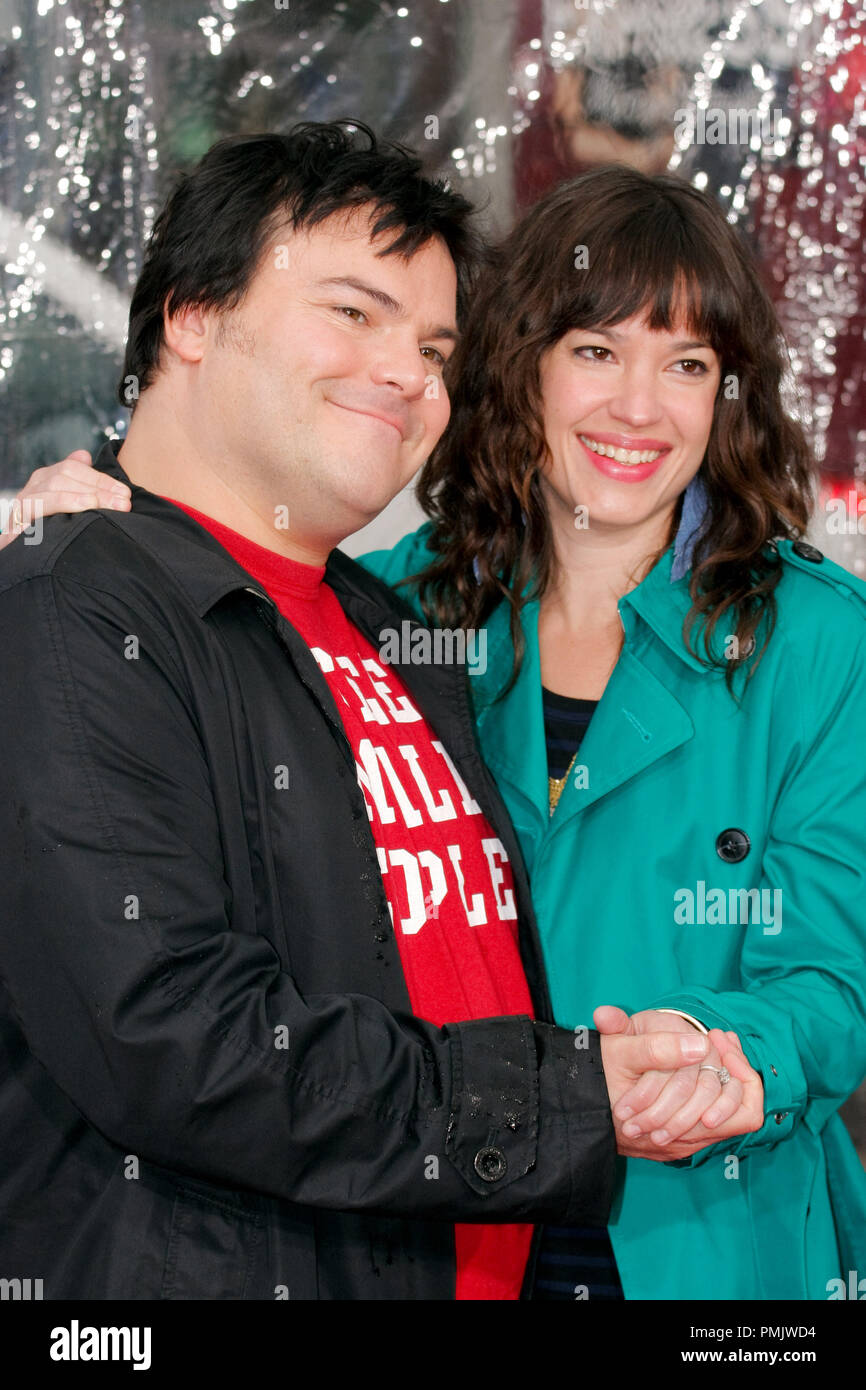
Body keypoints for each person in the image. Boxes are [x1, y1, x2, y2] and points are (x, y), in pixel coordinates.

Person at [23, 158, 866, 1302]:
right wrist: (79, 511)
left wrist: (708, 1065)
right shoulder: (397, 604)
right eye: (594, 351)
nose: (637, 406)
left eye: (686, 365)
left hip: (705, 1232)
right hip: (436, 1214)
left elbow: (829, 970)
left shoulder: (814, 636)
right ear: (517, 368)